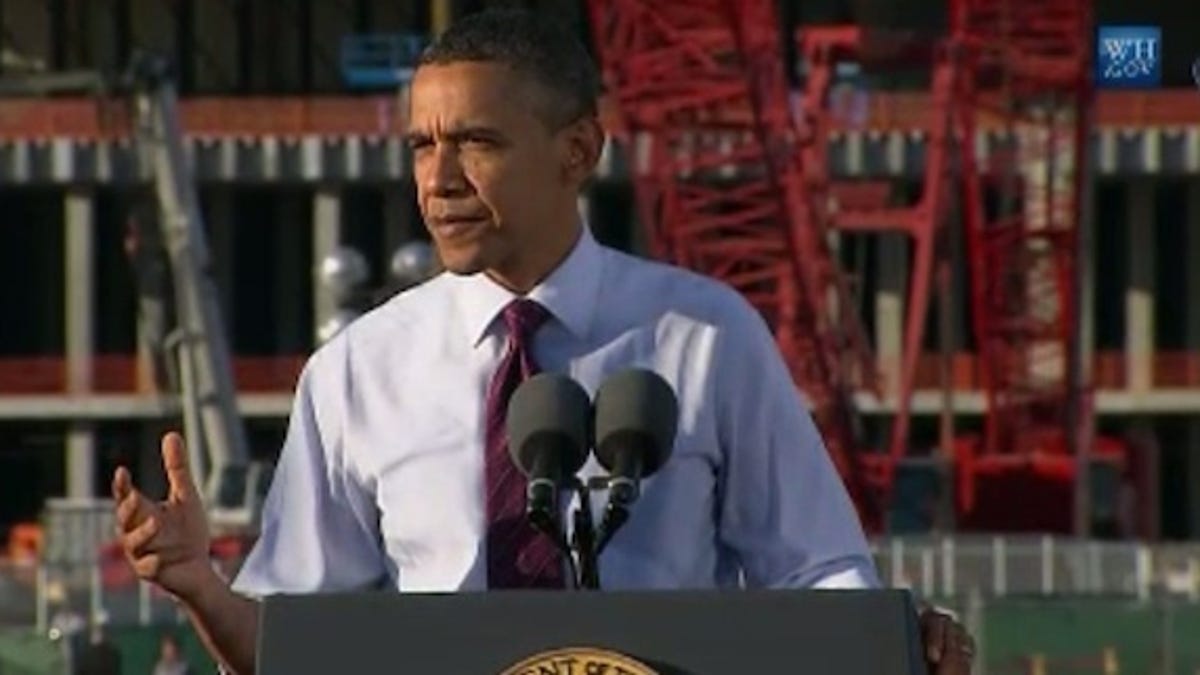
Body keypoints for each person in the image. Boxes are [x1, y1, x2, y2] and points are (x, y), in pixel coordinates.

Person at [111, 8, 976, 675]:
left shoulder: (707, 338)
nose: (439, 180)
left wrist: (896, 643)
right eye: (421, 145)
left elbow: (818, 573)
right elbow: (292, 641)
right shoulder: (353, 372)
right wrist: (203, 590)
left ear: (577, 152)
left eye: (476, 142)